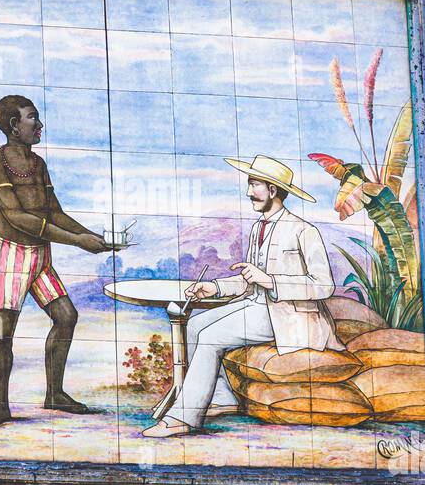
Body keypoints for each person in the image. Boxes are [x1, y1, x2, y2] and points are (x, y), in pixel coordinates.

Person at [142, 155, 343, 438]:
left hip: (287, 316)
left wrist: (270, 281)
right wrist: (215, 287)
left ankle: (183, 419)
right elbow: (250, 280)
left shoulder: (303, 230)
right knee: (196, 324)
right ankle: (223, 398)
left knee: (211, 337)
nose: (249, 192)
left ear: (273, 190)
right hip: (257, 305)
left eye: (254, 184)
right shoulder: (258, 228)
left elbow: (324, 285)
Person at [0, 95, 110, 428]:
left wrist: (92, 237)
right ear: (13, 125)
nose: (39, 125)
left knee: (66, 316)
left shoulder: (38, 164)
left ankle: (55, 393)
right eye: (32, 118)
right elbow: (17, 217)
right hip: (10, 256)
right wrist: (77, 241)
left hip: (40, 256)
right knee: (1, 333)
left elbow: (55, 212)